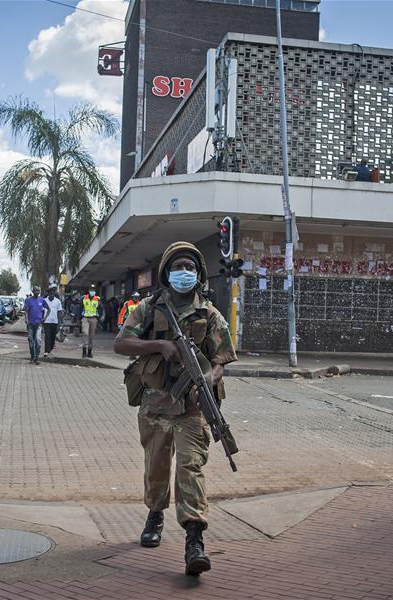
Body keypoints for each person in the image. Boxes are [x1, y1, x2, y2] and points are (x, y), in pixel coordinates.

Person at [113, 242, 236, 576]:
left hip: (192, 410)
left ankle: (194, 539)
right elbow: (121, 343)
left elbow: (223, 359)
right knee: (156, 469)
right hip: (155, 406)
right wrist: (160, 345)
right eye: (179, 267)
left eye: (191, 268)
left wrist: (206, 381)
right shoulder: (148, 309)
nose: (185, 273)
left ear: (198, 274)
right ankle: (155, 515)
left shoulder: (209, 314)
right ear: (167, 273)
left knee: (190, 469)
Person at [24, 286, 49, 364]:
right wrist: (26, 319)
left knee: (38, 341)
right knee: (31, 340)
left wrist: (45, 318)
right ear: (33, 291)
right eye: (36, 290)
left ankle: (37, 358)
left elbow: (48, 309)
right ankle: (32, 357)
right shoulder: (28, 300)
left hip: (39, 324)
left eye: (38, 290)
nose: (37, 292)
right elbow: (26, 311)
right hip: (30, 324)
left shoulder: (42, 300)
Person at [43, 287, 64, 357]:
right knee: (47, 336)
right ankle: (46, 351)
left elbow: (59, 312)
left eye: (53, 294)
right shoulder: (44, 301)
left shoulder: (58, 301)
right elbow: (42, 311)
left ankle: (50, 349)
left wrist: (60, 322)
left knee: (52, 337)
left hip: (55, 321)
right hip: (46, 321)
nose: (52, 295)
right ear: (48, 294)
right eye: (50, 294)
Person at [80, 284, 101, 358]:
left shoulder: (97, 299)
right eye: (91, 290)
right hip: (85, 318)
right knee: (85, 333)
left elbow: (100, 309)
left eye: (94, 290)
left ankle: (89, 351)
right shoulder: (83, 298)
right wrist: (78, 318)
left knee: (91, 336)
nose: (92, 291)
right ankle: (84, 351)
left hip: (93, 318)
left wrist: (99, 319)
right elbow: (80, 308)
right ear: (89, 291)